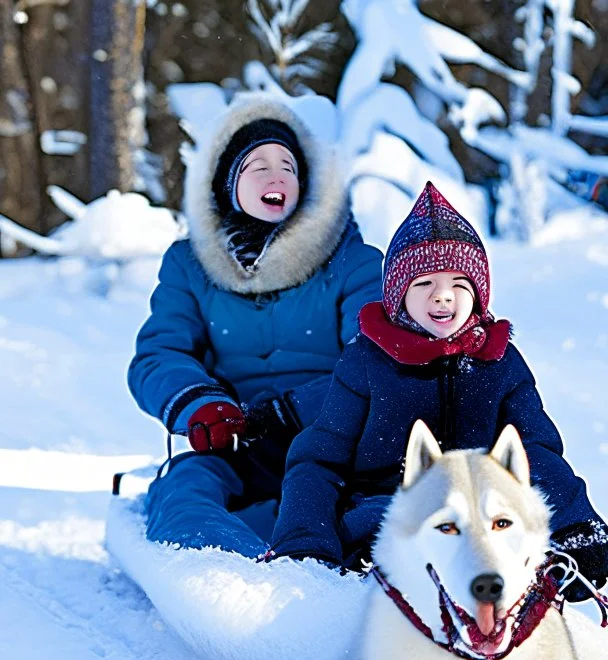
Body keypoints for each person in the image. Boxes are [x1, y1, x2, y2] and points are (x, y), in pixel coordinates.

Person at [269, 181, 608, 599]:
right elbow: (319, 460)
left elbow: (536, 450)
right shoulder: (368, 362)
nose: (443, 295)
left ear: (479, 295)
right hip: (384, 510)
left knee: (507, 546)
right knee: (393, 540)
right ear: (398, 295)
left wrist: (574, 525)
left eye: (459, 284)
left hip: (482, 518)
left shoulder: (498, 363)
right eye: (424, 282)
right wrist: (305, 544)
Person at [127, 93, 383, 556]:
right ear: (228, 184)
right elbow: (158, 355)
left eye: (288, 165)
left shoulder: (353, 261)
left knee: (361, 507)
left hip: (332, 443)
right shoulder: (189, 265)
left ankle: (334, 566)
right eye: (256, 166)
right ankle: (233, 577)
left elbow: (374, 360)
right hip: (235, 445)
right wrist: (201, 407)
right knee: (185, 490)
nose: (276, 175)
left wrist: (295, 410)